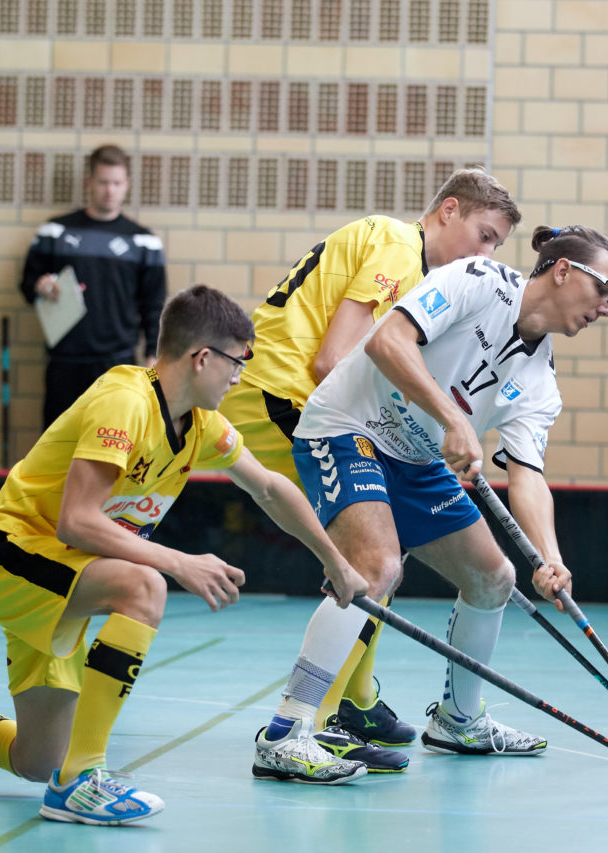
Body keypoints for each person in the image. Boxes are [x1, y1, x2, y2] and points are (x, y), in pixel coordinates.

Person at [0, 285, 368, 825]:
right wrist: (178, 562)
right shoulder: (125, 403)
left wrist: (334, 559)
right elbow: (77, 522)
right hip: (11, 556)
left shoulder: (201, 426)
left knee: (35, 759)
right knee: (142, 585)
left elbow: (268, 487)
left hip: (64, 575)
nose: (240, 376)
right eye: (237, 362)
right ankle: (80, 781)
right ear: (202, 358)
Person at [250, 225, 608, 784]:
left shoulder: (541, 381)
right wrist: (453, 422)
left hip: (419, 459)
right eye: (606, 292)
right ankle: (286, 730)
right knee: (376, 569)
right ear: (564, 270)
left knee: (494, 577)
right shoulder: (476, 280)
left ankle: (458, 720)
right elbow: (386, 342)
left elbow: (526, 476)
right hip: (350, 427)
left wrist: (548, 557)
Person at [218, 168, 521, 769]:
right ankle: (320, 718)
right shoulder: (397, 248)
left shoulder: (418, 267)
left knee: (383, 550)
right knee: (370, 554)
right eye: (484, 236)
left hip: (301, 394)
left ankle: (353, 700)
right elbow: (334, 357)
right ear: (448, 211)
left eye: (498, 247)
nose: (486, 256)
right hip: (284, 395)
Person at [20, 144, 167, 429]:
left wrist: (153, 353)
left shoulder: (144, 242)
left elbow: (154, 304)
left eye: (116, 183)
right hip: (65, 360)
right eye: (103, 182)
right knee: (57, 446)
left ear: (127, 185)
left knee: (111, 443)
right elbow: (27, 283)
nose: (109, 191)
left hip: (118, 362)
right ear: (89, 182)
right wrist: (41, 285)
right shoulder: (55, 232)